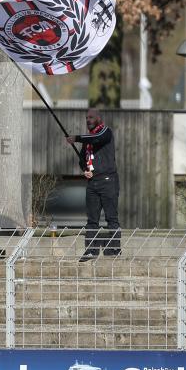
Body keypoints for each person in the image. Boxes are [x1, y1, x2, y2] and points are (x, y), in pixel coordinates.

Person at [67, 108, 120, 261]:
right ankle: (91, 251)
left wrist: (76, 137)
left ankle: (114, 250)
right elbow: (82, 159)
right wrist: (85, 169)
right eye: (86, 118)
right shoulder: (87, 140)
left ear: (98, 118)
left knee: (111, 218)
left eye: (91, 117)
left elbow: (97, 138)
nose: (88, 120)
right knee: (92, 220)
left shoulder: (105, 132)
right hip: (93, 183)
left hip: (108, 181)